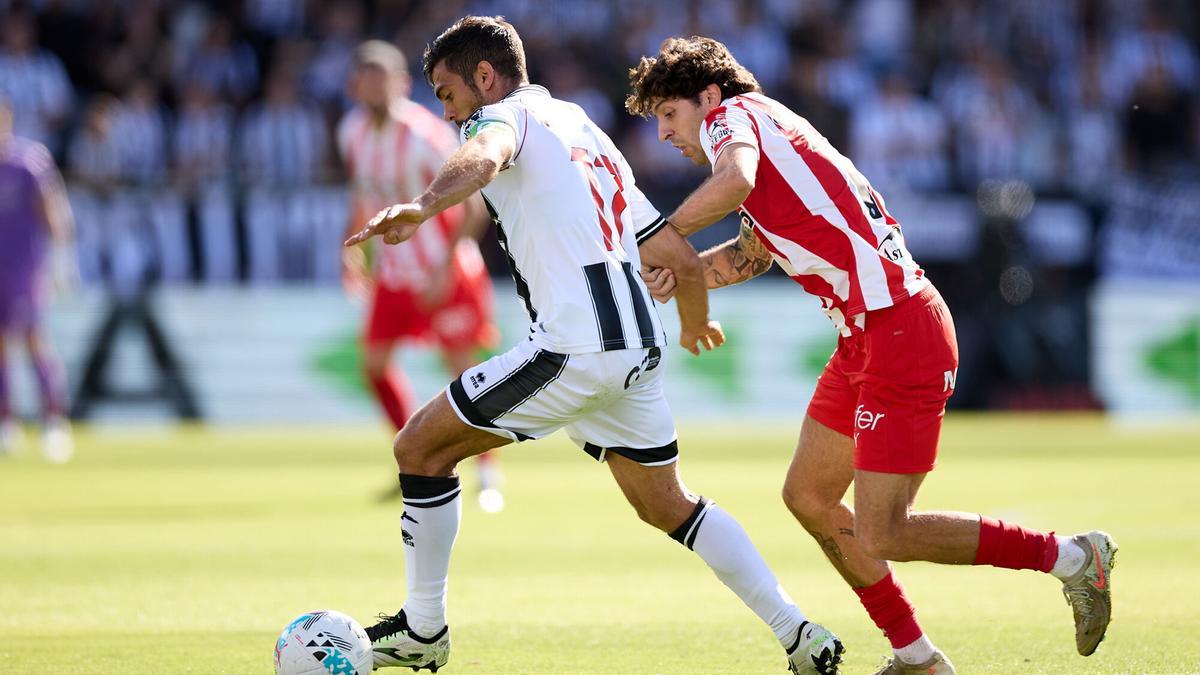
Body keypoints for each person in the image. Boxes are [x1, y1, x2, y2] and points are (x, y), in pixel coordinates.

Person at [344, 17, 843, 674]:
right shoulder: (582, 130)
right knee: (669, 504)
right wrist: (693, 322)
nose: (447, 108)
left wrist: (425, 203)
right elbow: (675, 254)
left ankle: (424, 628)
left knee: (418, 448)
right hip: (637, 347)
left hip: (574, 349)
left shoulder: (502, 120)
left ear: (486, 78)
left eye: (447, 91)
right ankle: (800, 632)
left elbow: (484, 151)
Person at [625, 37, 1115, 675]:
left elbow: (735, 178)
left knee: (886, 529)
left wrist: (660, 238)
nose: (663, 133)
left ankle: (1073, 557)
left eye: (668, 114)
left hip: (899, 329)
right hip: (866, 334)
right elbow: (751, 254)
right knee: (808, 495)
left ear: (708, 97)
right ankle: (916, 656)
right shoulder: (770, 133)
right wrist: (677, 273)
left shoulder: (734, 121)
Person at [337, 40, 504, 510]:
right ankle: (418, 454)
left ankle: (488, 474)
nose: (373, 89)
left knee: (463, 372)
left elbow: (473, 208)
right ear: (354, 87)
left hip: (442, 269)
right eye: (364, 81)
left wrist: (445, 268)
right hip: (395, 271)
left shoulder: (426, 136)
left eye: (381, 79)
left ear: (401, 84)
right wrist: (350, 246)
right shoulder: (351, 132)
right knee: (373, 366)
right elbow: (363, 194)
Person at [0, 97, 74, 462]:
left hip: (24, 267)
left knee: (33, 339)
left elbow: (53, 211)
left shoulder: (28, 162)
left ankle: (53, 420)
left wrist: (62, 262)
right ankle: (5, 421)